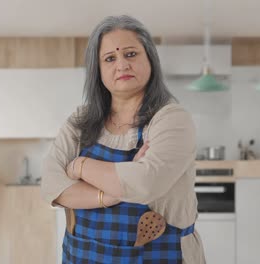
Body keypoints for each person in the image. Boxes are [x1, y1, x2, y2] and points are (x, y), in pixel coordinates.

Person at [41, 15, 205, 263]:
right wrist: (111, 194)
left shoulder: (171, 118)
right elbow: (52, 186)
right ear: (98, 71)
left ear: (150, 58)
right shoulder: (80, 120)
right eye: (110, 58)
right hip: (83, 255)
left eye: (130, 54)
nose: (122, 65)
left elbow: (146, 183)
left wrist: (80, 167)